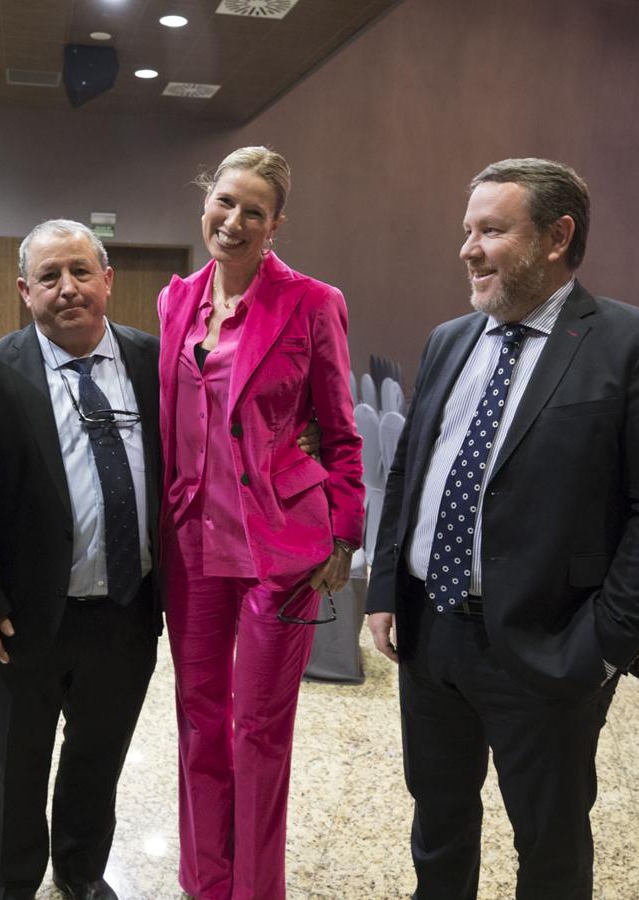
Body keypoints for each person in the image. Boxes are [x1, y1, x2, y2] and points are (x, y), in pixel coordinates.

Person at [367, 157, 639, 899]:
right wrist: (386, 589)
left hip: (550, 643)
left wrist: (606, 644)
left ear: (557, 237)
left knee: (549, 846)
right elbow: (411, 470)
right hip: (432, 632)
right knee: (438, 821)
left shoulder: (637, 343)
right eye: (467, 230)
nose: (468, 249)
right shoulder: (450, 338)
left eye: (492, 230)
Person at [157, 147, 364, 900]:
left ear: (275, 225)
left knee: (261, 729)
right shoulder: (176, 299)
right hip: (192, 540)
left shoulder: (312, 302)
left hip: (279, 544)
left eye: (254, 211)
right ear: (205, 202)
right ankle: (206, 880)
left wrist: (344, 532)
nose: (234, 221)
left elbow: (341, 431)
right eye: (225, 202)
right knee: (198, 718)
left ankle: (254, 889)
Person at [0, 220, 162, 900]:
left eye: (81, 271)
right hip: (21, 619)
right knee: (14, 767)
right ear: (25, 291)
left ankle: (80, 874)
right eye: (49, 276)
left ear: (107, 280)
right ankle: (12, 884)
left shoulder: (153, 362)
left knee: (97, 760)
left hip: (127, 611)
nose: (68, 288)